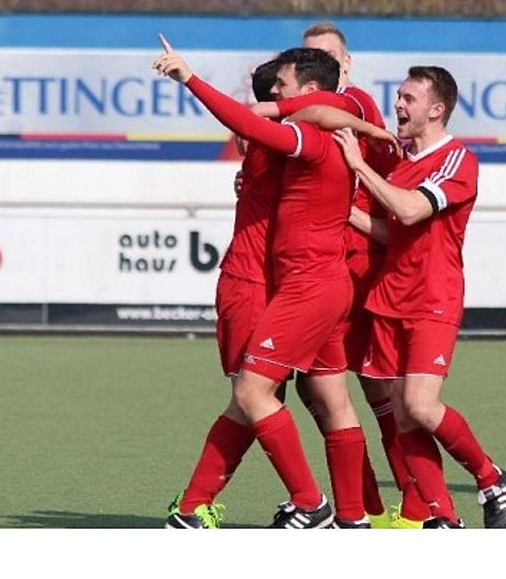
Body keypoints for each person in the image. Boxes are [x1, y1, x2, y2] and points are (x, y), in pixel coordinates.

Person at [155, 40, 382, 528]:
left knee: (254, 396)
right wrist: (356, 124)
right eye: (274, 86)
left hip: (272, 282)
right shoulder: (321, 131)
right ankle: (350, 517)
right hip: (289, 279)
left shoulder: (305, 135)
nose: (276, 92)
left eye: (283, 84)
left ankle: (300, 502)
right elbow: (325, 109)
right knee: (314, 397)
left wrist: (192, 79)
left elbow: (263, 119)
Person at [331, 66, 506, 529]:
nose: (398, 105)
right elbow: (389, 233)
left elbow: (410, 210)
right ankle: (443, 517)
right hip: (388, 301)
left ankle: (490, 477)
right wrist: (339, 209)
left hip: (434, 298)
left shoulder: (457, 160)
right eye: (397, 96)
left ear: (436, 109)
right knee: (405, 420)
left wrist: (358, 168)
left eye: (408, 98)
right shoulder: (400, 163)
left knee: (420, 406)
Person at [269, 21, 427, 527]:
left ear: (347, 66)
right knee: (323, 394)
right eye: (307, 57)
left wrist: (260, 109)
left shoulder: (351, 103)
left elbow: (383, 194)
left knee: (379, 392)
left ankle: (416, 504)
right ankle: (366, 511)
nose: (320, 68)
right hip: (317, 266)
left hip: (353, 267)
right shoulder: (314, 124)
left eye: (328, 59)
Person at [162, 59, 285, 528]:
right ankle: (309, 502)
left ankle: (193, 504)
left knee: (258, 398)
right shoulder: (273, 140)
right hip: (249, 284)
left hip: (277, 287)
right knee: (253, 396)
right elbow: (240, 123)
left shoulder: (287, 142)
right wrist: (190, 78)